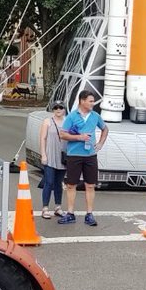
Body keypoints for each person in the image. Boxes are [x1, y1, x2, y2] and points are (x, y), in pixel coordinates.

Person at [58, 91, 107, 226]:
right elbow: (63, 134)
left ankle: (89, 214)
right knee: (71, 184)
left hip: (90, 155)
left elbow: (105, 129)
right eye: (90, 101)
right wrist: (79, 137)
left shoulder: (96, 116)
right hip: (74, 155)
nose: (93, 103)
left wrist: (101, 143)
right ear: (82, 101)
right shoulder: (72, 116)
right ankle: (70, 213)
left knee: (90, 185)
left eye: (93, 101)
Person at [38, 101, 66, 219]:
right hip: (50, 155)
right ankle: (45, 208)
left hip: (63, 157)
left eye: (60, 107)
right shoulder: (47, 122)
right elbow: (43, 139)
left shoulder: (67, 122)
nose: (58, 109)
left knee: (59, 183)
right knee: (48, 182)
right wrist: (43, 154)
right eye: (55, 107)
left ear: (64, 109)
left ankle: (58, 207)